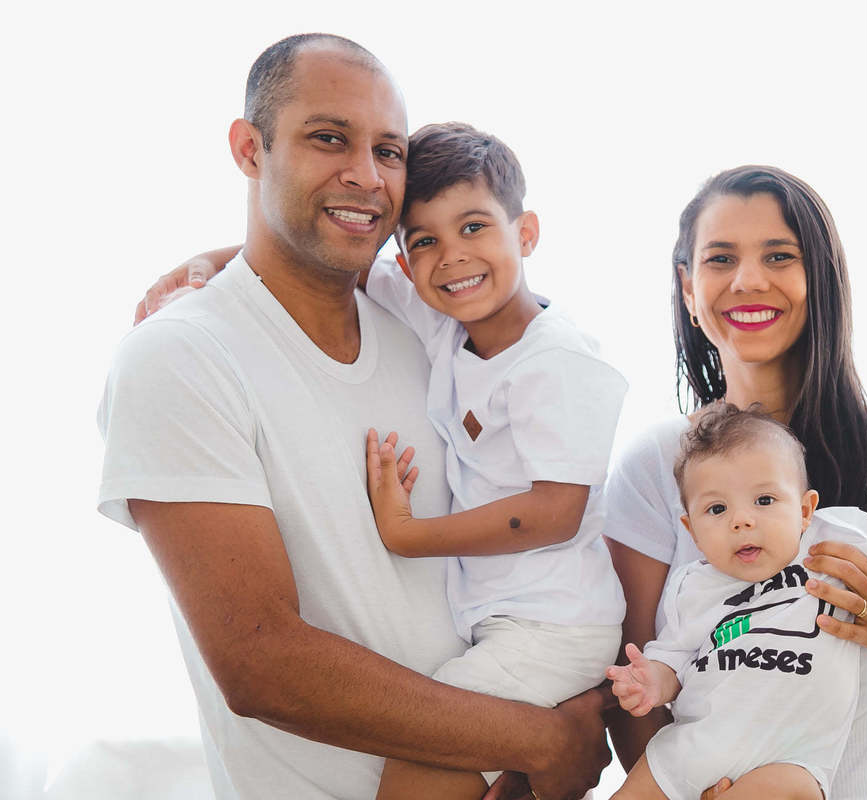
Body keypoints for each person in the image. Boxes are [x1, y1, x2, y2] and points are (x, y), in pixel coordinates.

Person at [99, 33, 609, 800]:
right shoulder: (181, 355)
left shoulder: (427, 329)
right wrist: (541, 741)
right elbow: (260, 660)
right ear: (249, 149)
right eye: (329, 138)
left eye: (389, 151)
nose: (367, 176)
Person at [603, 166, 867, 798]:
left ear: (822, 279)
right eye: (721, 259)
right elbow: (632, 677)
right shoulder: (655, 463)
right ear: (689, 289)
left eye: (779, 255)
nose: (749, 280)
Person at [361, 122, 627, 798]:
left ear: (526, 233)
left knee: (414, 771)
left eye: (474, 227)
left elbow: (555, 512)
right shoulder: (446, 324)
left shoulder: (556, 360)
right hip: (504, 622)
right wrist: (205, 266)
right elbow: (339, 259)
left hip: (554, 627)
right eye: (425, 241)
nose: (452, 257)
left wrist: (407, 535)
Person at [606, 403, 867, 800]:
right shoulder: (693, 586)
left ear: (805, 510)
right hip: (691, 749)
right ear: (692, 530)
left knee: (793, 791)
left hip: (788, 761)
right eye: (717, 509)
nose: (742, 520)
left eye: (765, 500)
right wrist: (652, 682)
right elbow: (674, 659)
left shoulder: (835, 536)